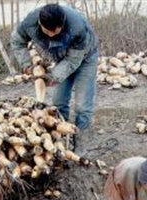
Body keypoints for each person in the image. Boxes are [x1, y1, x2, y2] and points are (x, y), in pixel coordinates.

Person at [10, 3, 99, 153]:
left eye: (56, 32)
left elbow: (72, 61)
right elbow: (17, 42)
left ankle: (81, 144)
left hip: (85, 57)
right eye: (47, 31)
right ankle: (60, 137)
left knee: (83, 105)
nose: (51, 35)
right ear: (40, 23)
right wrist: (28, 66)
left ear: (63, 23)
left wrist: (53, 77)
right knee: (58, 101)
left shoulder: (77, 27)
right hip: (60, 57)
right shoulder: (29, 23)